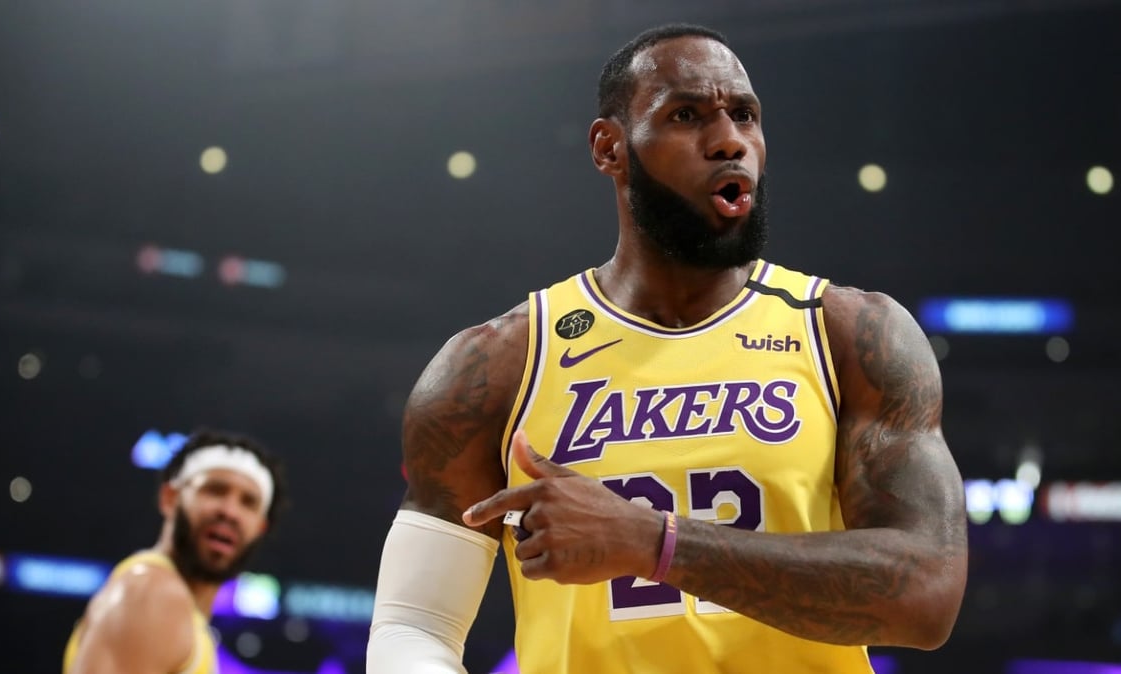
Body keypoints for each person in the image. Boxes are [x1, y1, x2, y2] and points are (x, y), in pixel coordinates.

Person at [367, 22, 968, 674]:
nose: (729, 140)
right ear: (610, 148)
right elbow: (414, 625)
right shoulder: (496, 365)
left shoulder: (849, 334)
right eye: (687, 115)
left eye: (744, 115)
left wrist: (652, 543)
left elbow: (926, 593)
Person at [63, 429, 288, 674]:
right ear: (170, 498)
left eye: (248, 502)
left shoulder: (186, 617)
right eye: (215, 490)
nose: (229, 511)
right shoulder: (151, 592)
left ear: (260, 527)